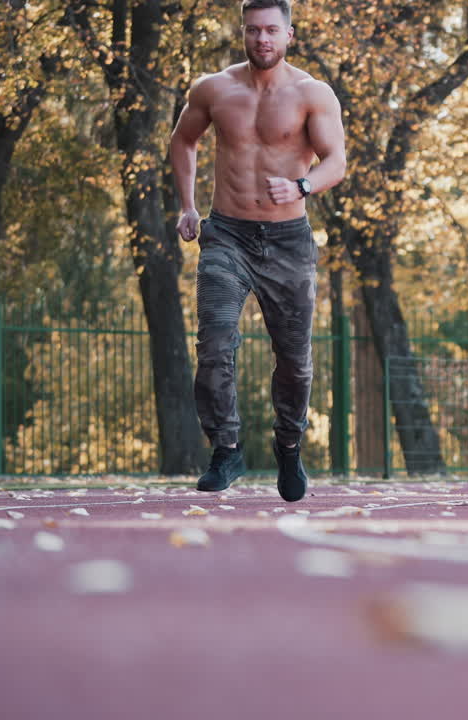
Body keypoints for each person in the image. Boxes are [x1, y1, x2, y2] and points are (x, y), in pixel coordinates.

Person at [169, 0, 346, 502]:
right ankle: (226, 448)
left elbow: (337, 160)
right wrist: (187, 205)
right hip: (226, 235)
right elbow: (183, 141)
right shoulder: (214, 88)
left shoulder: (313, 93)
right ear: (243, 34)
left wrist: (304, 186)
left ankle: (289, 445)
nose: (261, 39)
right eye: (253, 30)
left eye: (271, 30)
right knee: (214, 346)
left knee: (294, 360)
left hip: (288, 240)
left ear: (290, 34)